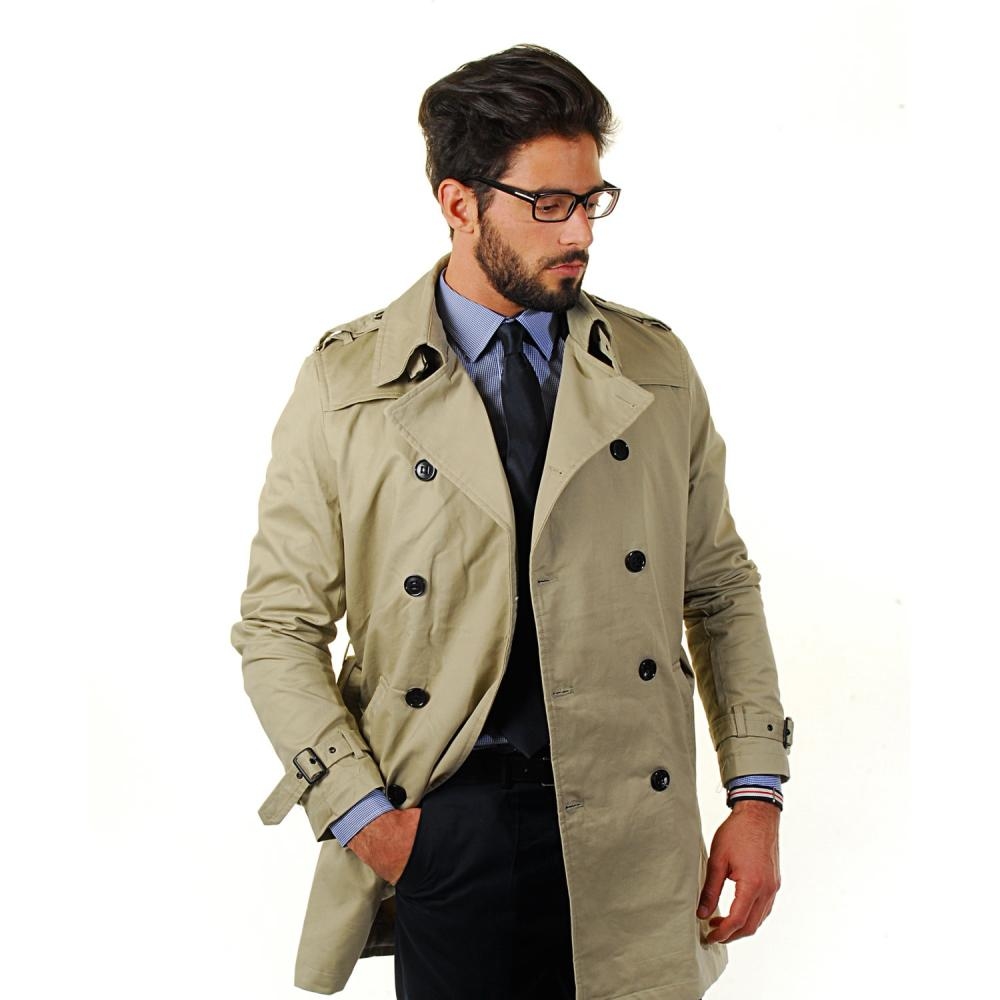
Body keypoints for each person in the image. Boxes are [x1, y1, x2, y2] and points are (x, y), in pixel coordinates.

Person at [232, 44, 792, 1000]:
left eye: (591, 200)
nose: (578, 232)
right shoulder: (346, 386)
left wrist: (757, 794)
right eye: (548, 203)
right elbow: (278, 626)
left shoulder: (656, 368)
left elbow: (718, 589)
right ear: (459, 203)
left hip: (632, 822)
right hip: (447, 830)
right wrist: (370, 820)